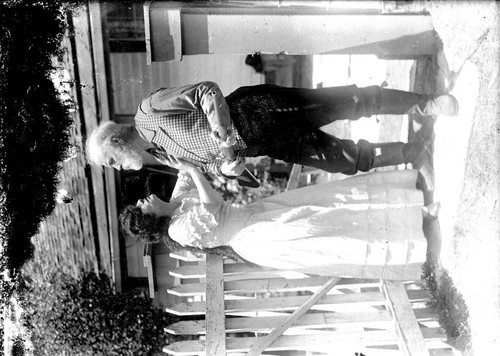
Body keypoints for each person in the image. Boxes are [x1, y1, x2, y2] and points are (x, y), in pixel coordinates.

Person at [86, 81, 459, 190]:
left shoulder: (149, 110)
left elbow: (207, 92)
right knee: (341, 161)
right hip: (266, 143)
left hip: (258, 110)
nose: (118, 169)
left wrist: (226, 140)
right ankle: (415, 153)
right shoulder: (162, 155)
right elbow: (223, 169)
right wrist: (229, 171)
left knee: (351, 102)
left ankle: (427, 104)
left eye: (111, 163)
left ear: (116, 143)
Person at [120, 155, 439, 281]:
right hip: (259, 236)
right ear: (149, 220)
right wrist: (190, 170)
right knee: (335, 227)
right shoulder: (178, 230)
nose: (143, 199)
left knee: (333, 204)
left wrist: (172, 159)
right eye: (141, 207)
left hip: (260, 216)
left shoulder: (175, 206)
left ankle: (414, 208)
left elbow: (185, 177)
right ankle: (412, 235)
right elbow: (214, 208)